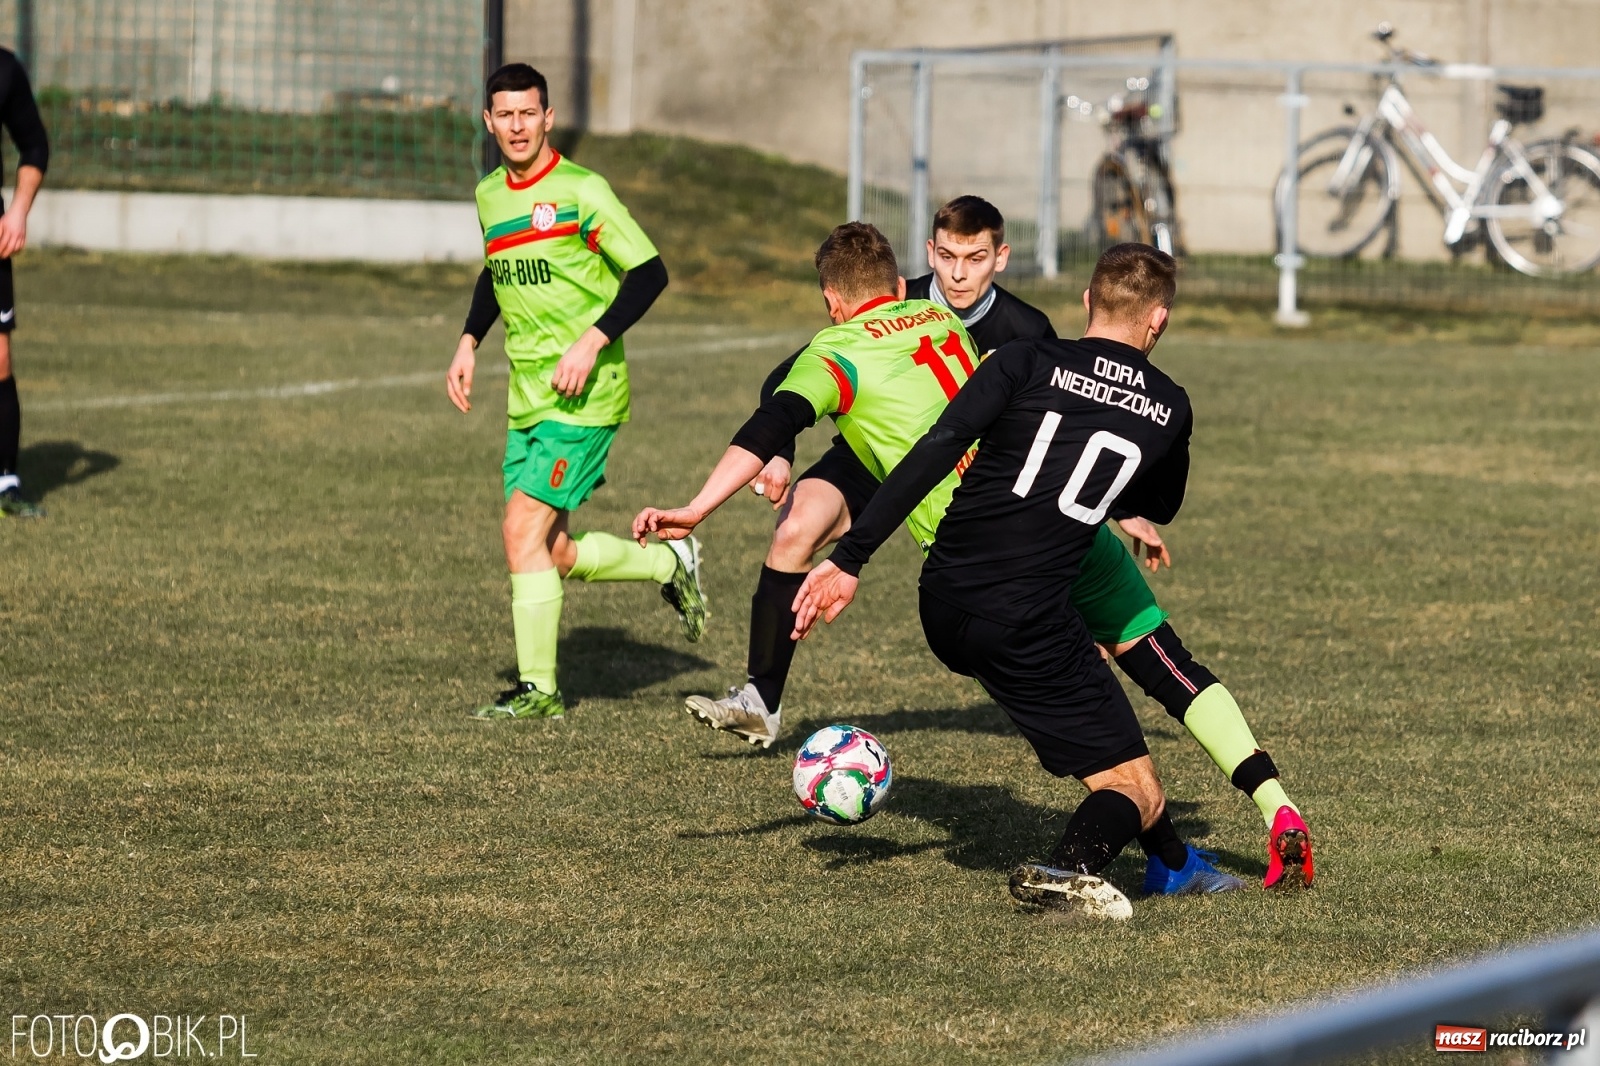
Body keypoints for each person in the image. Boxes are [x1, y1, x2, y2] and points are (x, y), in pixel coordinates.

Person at [679, 197, 1313, 889]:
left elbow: (907, 436)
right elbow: (1130, 467)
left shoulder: (1004, 354)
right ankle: (1260, 809)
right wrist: (1122, 505)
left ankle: (1171, 861)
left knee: (1120, 743)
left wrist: (819, 541)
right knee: (1162, 672)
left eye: (973, 257)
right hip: (1065, 548)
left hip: (975, 555)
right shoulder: (1001, 336)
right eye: (950, 258)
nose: (959, 273)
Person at [788, 243, 1251, 913]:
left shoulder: (1019, 358)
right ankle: (1068, 869)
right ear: (1160, 320)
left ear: (1087, 301)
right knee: (1136, 789)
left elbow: (937, 447)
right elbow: (1161, 503)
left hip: (944, 601)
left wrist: (849, 557)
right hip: (1025, 616)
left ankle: (1174, 864)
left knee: (1119, 757)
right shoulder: (1169, 404)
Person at [447, 63, 706, 721]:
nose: (517, 126)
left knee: (518, 531)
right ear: (489, 122)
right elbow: (497, 271)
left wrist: (593, 341)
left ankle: (540, 692)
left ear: (548, 117)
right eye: (505, 115)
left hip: (587, 397)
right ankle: (667, 565)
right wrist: (469, 340)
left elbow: (649, 272)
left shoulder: (583, 191)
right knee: (551, 551)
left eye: (528, 113)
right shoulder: (489, 195)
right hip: (528, 398)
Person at [0, 47, 49, 519]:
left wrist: (18, 211)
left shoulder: (4, 69)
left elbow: (34, 145)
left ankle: (5, 484)